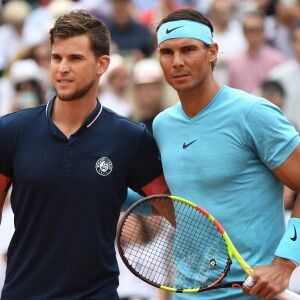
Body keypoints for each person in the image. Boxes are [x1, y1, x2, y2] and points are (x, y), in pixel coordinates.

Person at [0, 9, 169, 300]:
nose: (62, 68)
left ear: (102, 64)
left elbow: (175, 211)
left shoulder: (131, 138)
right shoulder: (10, 131)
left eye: (75, 58)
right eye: (57, 58)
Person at [152, 7, 300, 300]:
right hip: (187, 292)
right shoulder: (161, 124)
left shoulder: (253, 113)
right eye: (167, 52)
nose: (177, 61)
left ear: (212, 52)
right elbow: (174, 204)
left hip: (252, 294)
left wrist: (284, 264)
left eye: (188, 49)